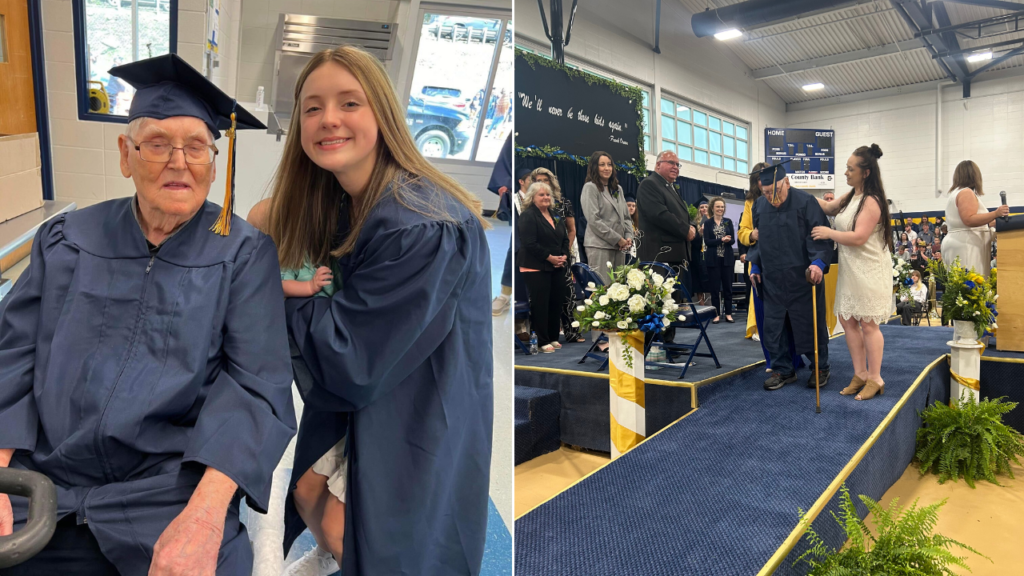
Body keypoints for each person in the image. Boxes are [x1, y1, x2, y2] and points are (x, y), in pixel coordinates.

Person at [0, 53, 297, 574]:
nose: (178, 162)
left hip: (168, 495)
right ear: (126, 154)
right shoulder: (66, 240)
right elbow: (12, 356)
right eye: (157, 143)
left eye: (196, 146)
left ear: (214, 163)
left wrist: (205, 516)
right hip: (44, 483)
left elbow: (256, 388)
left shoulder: (244, 255)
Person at [253, 47, 493, 576]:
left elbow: (351, 358)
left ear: (382, 113)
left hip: (417, 395)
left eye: (349, 103)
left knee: (378, 535)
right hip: (384, 371)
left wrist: (269, 297)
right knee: (309, 492)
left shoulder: (419, 223)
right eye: (312, 107)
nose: (328, 119)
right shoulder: (347, 197)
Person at [812, 144, 894, 401]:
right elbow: (828, 208)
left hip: (869, 269)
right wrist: (797, 194)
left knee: (868, 324)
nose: (846, 173)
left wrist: (829, 233)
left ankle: (875, 377)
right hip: (851, 270)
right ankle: (860, 374)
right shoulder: (851, 196)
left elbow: (859, 237)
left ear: (865, 172)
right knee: (848, 320)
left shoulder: (872, 200)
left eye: (850, 169)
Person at [748, 161, 834, 391]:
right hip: (773, 279)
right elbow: (759, 241)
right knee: (775, 325)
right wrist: (755, 266)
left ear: (786, 182)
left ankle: (820, 367)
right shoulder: (759, 206)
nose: (772, 198)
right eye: (766, 192)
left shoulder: (806, 202)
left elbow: (820, 236)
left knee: (809, 323)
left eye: (775, 191)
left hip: (804, 277)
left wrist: (818, 263)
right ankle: (783, 369)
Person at [530, 167, 583, 342]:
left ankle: (572, 332)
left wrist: (564, 253)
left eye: (545, 180)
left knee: (567, 295)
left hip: (562, 256)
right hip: (540, 257)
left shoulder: (563, 203)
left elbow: (571, 230)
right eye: (538, 180)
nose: (542, 183)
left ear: (552, 182)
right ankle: (542, 336)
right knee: (543, 297)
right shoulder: (531, 206)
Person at [518, 182, 571, 353]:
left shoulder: (555, 215)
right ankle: (541, 341)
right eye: (541, 195)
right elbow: (529, 243)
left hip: (557, 265)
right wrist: (550, 258)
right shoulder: (528, 215)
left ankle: (553, 337)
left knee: (555, 302)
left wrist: (563, 255)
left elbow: (564, 238)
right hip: (535, 266)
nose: (546, 197)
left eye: (548, 194)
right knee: (540, 304)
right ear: (532, 197)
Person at [636, 150, 697, 291]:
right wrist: (686, 230)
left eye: (677, 164)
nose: (675, 167)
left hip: (674, 256)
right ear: (658, 165)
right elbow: (659, 215)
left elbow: (681, 215)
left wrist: (691, 226)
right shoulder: (650, 184)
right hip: (659, 257)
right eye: (671, 163)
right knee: (659, 301)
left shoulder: (669, 187)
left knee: (674, 301)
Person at [942, 160, 1009, 277]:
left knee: (960, 284)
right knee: (971, 283)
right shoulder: (966, 192)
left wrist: (989, 223)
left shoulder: (954, 194)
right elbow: (969, 219)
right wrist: (996, 213)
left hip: (959, 241)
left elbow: (965, 221)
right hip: (967, 245)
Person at [581, 151, 632, 285]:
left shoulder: (618, 189)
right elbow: (594, 220)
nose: (607, 168)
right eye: (602, 165)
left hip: (620, 248)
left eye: (609, 164)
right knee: (603, 290)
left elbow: (626, 217)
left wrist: (628, 237)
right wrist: (618, 239)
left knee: (619, 289)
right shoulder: (590, 187)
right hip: (599, 247)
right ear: (594, 167)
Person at [490, 134, 513, 316]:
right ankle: (505, 294)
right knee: (517, 246)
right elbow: (507, 156)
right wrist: (504, 184)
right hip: (522, 187)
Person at [703, 197, 735, 323]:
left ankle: (728, 313)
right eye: (718, 206)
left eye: (722, 207)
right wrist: (721, 240)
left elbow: (733, 240)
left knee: (728, 288)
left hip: (727, 259)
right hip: (713, 260)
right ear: (712, 208)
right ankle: (716, 314)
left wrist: (728, 240)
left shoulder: (728, 221)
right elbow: (707, 241)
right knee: (715, 289)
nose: (720, 209)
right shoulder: (708, 223)